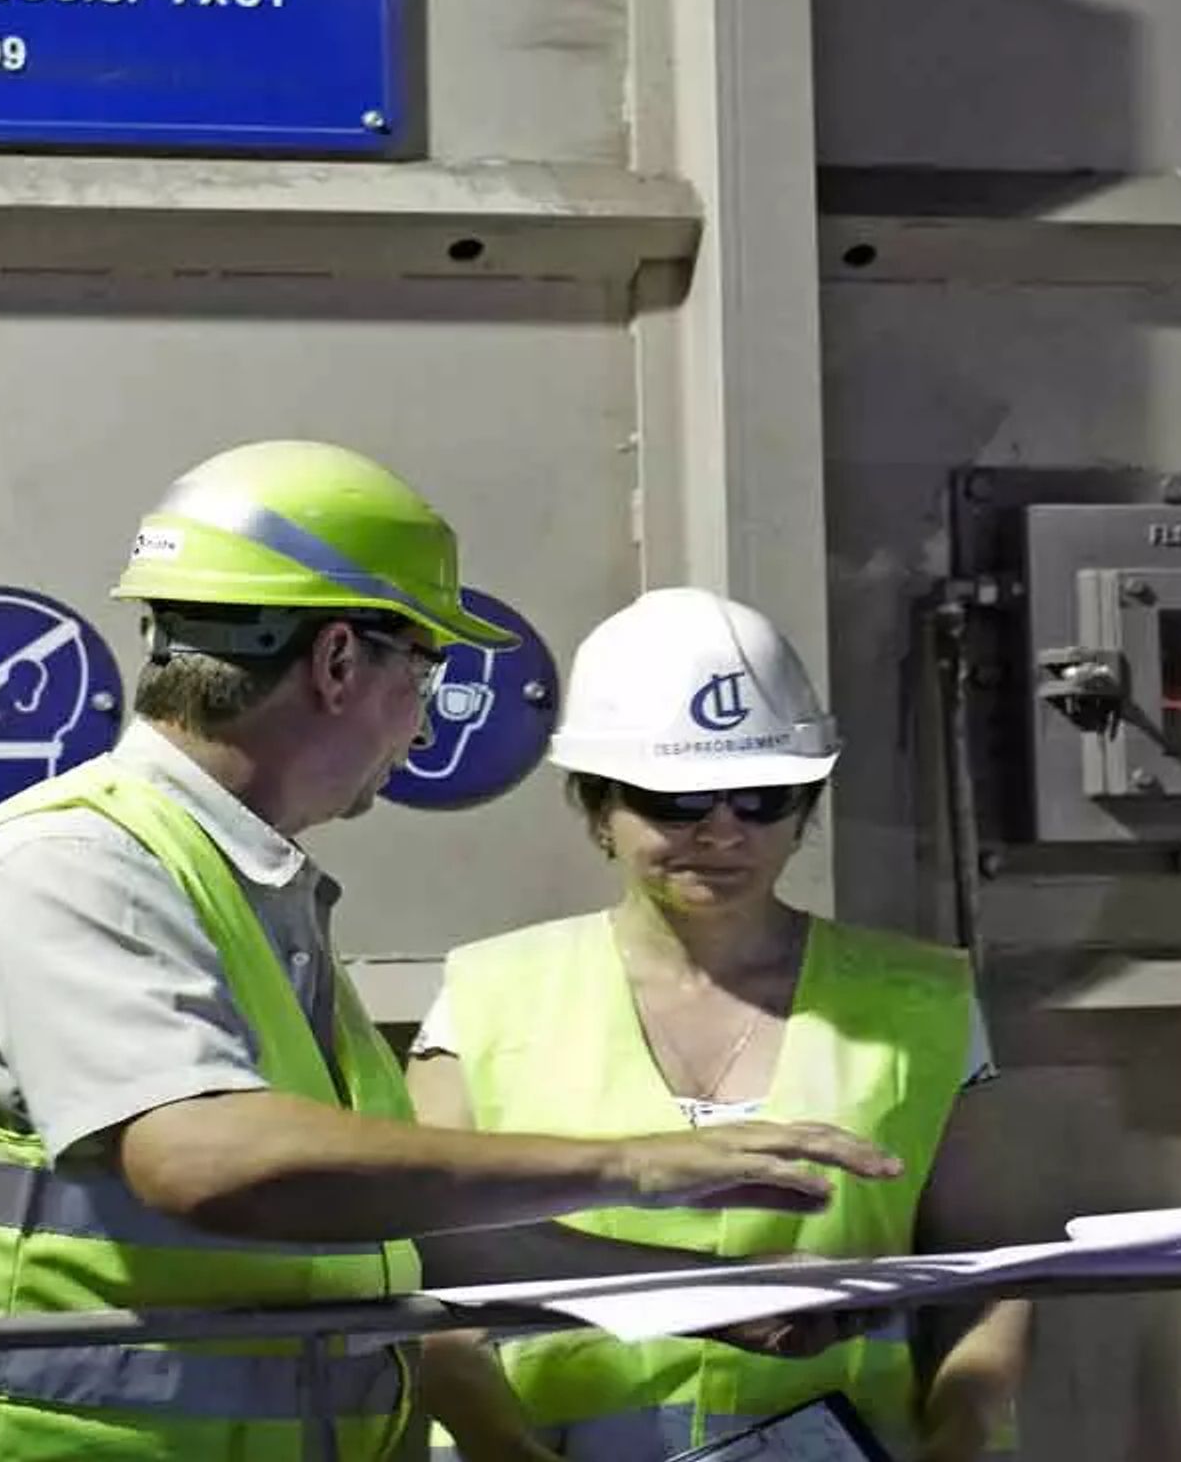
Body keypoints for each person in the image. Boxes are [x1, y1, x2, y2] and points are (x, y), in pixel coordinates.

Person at [0, 443, 900, 1462]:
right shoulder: (68, 865)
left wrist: (703, 1299)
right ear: (340, 659)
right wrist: (638, 1167)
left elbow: (399, 1235)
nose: (422, 731)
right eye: (423, 674)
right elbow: (205, 1162)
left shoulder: (247, 887)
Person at [407, 588, 1030, 1462]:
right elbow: (422, 1264)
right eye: (677, 798)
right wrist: (501, 1447)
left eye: (763, 796)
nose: (722, 830)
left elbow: (987, 1269)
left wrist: (962, 1433)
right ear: (598, 807)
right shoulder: (487, 998)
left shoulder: (923, 1001)